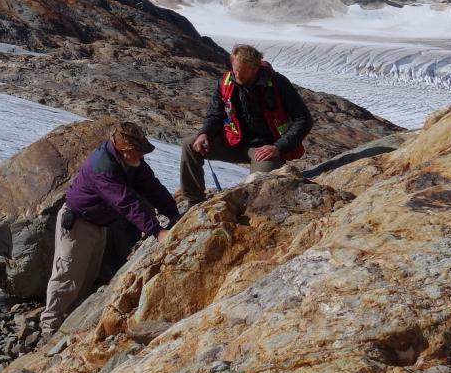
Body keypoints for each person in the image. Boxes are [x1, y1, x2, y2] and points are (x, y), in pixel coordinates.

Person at [40, 120, 180, 336]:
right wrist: (156, 231)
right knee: (68, 276)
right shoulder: (102, 167)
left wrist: (173, 212)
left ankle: (69, 323)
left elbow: (152, 187)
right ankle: (49, 327)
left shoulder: (132, 163)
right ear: (125, 149)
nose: (142, 157)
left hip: (100, 224)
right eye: (138, 152)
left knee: (88, 276)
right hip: (78, 224)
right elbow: (125, 202)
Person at [179, 44, 313, 205]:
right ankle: (194, 201)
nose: (234, 73)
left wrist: (278, 147)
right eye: (234, 68)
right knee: (190, 145)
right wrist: (204, 133)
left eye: (239, 70)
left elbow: (303, 119)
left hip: (264, 149)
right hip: (233, 141)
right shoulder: (225, 82)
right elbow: (215, 114)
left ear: (254, 69)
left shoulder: (277, 84)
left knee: (257, 188)